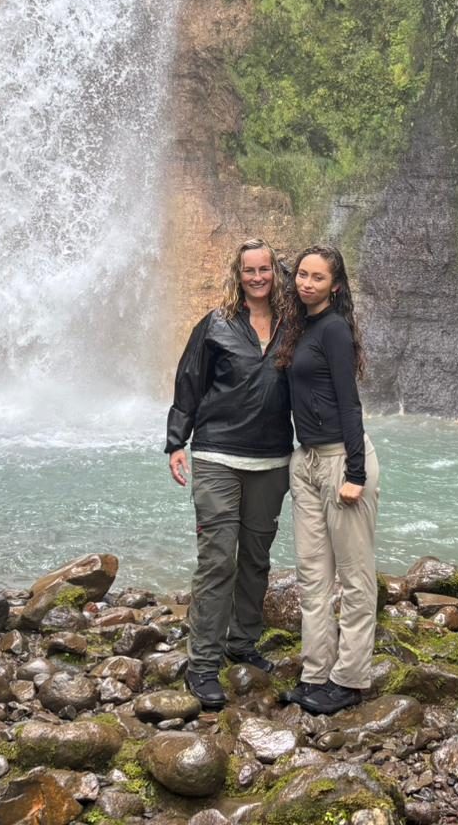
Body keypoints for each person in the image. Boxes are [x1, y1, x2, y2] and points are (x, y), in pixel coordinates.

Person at [165, 238, 293, 710]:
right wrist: (177, 441)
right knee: (218, 559)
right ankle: (201, 664)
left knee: (255, 558)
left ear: (275, 273)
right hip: (218, 456)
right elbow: (189, 382)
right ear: (237, 275)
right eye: (249, 271)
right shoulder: (216, 325)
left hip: (272, 460)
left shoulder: (292, 326)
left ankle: (242, 642)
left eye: (265, 269)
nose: (257, 278)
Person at [277, 243, 379, 716]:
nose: (306, 283)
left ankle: (351, 678)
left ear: (334, 286)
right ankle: (316, 670)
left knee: (355, 577)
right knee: (312, 575)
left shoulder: (334, 329)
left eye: (317, 278)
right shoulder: (300, 326)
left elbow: (349, 402)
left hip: (341, 460)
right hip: (307, 460)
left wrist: (355, 473)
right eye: (301, 275)